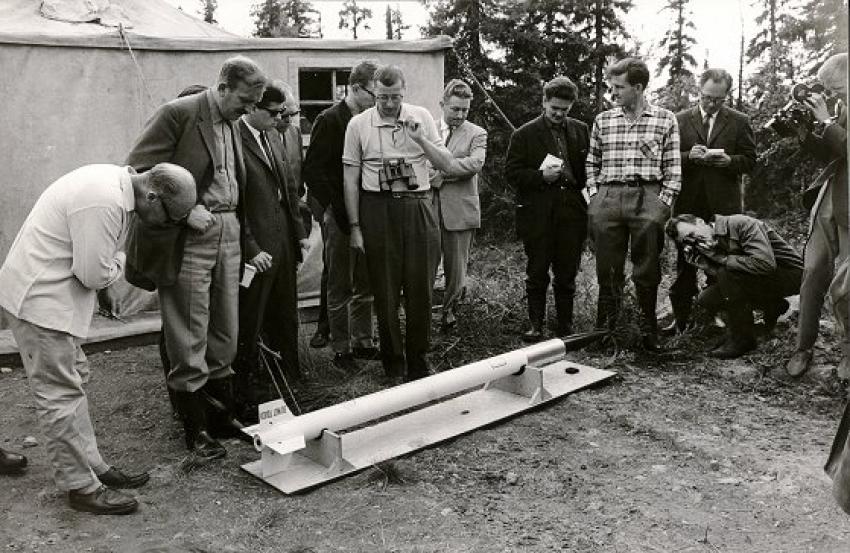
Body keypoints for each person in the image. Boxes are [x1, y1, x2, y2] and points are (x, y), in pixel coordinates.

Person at [0, 163, 196, 515]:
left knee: (75, 381)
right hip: (40, 303)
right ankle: (81, 487)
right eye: (169, 218)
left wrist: (107, 267)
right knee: (60, 395)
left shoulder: (114, 185)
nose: (167, 226)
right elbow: (92, 274)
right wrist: (118, 261)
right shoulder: (104, 201)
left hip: (53, 298)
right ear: (152, 195)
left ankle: (93, 466)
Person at [126, 56, 267, 460]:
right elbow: (137, 170)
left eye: (254, 103)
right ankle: (196, 430)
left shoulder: (233, 123)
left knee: (226, 327)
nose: (248, 109)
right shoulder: (178, 114)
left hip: (230, 232)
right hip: (190, 236)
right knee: (189, 328)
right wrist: (185, 211)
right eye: (244, 100)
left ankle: (221, 417)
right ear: (222, 87)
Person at [342, 64, 458, 381]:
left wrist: (421, 139)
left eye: (395, 97)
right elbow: (350, 179)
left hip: (417, 206)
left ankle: (418, 361)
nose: (389, 104)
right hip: (376, 209)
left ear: (403, 93)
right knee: (386, 290)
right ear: (373, 93)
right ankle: (392, 363)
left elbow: (446, 164)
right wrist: (355, 227)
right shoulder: (358, 125)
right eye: (382, 97)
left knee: (420, 287)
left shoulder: (419, 116)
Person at [585, 57, 681, 352]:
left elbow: (674, 169)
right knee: (608, 269)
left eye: (619, 87)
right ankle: (606, 331)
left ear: (638, 87)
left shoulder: (665, 119)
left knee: (647, 269)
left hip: (647, 199)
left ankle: (645, 331)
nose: (613, 93)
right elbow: (592, 161)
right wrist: (594, 198)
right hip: (609, 199)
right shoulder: (604, 120)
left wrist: (660, 206)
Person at [235, 81, 310, 420]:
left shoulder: (274, 135)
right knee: (252, 317)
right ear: (254, 108)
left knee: (285, 310)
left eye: (284, 112)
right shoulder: (236, 138)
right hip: (258, 249)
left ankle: (289, 375)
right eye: (275, 112)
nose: (282, 119)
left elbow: (289, 190)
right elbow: (235, 203)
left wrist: (299, 233)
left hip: (282, 241)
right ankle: (251, 387)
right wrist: (250, 246)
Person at [666, 68, 757, 333]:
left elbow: (750, 160)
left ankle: (716, 318)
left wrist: (730, 161)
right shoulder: (679, 120)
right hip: (688, 204)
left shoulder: (740, 121)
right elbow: (666, 159)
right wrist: (687, 157)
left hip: (723, 207)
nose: (711, 103)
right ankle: (681, 318)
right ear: (699, 91)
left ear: (726, 96)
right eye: (706, 97)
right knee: (686, 261)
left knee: (721, 261)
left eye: (717, 99)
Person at [304, 60, 380, 373]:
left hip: (368, 213)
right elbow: (313, 170)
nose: (378, 101)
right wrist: (336, 208)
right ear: (357, 88)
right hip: (339, 215)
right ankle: (341, 348)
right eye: (374, 94)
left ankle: (363, 341)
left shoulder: (372, 120)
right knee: (340, 283)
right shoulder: (330, 119)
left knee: (365, 281)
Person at [506, 76, 588, 342]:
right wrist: (541, 177)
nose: (558, 114)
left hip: (572, 214)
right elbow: (511, 173)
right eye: (554, 108)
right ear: (544, 101)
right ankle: (535, 325)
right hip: (537, 215)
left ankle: (565, 326)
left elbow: (587, 171)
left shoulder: (580, 130)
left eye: (564, 109)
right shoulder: (524, 134)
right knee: (537, 271)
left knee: (567, 273)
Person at [786, 52, 849, 377]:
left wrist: (825, 121)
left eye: (835, 87)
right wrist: (804, 131)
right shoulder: (841, 108)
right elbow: (830, 152)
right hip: (830, 197)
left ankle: (849, 353)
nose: (830, 94)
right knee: (812, 271)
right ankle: (803, 347)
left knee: (847, 286)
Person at [665, 213, 803, 358]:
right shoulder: (709, 242)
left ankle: (742, 339)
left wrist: (720, 258)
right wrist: (707, 266)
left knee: (727, 273)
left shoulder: (740, 224)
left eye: (692, 234)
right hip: (761, 279)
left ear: (700, 221)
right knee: (707, 298)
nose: (695, 241)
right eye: (688, 241)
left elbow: (766, 264)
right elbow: (728, 282)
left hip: (791, 274)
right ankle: (771, 305)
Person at [431, 79, 487, 331]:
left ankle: (449, 312)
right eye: (455, 109)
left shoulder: (477, 133)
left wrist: (441, 173)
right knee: (425, 265)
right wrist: (454, 165)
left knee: (456, 268)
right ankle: (421, 312)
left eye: (465, 110)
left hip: (460, 210)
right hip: (428, 209)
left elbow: (474, 164)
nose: (460, 115)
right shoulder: (426, 129)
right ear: (442, 104)